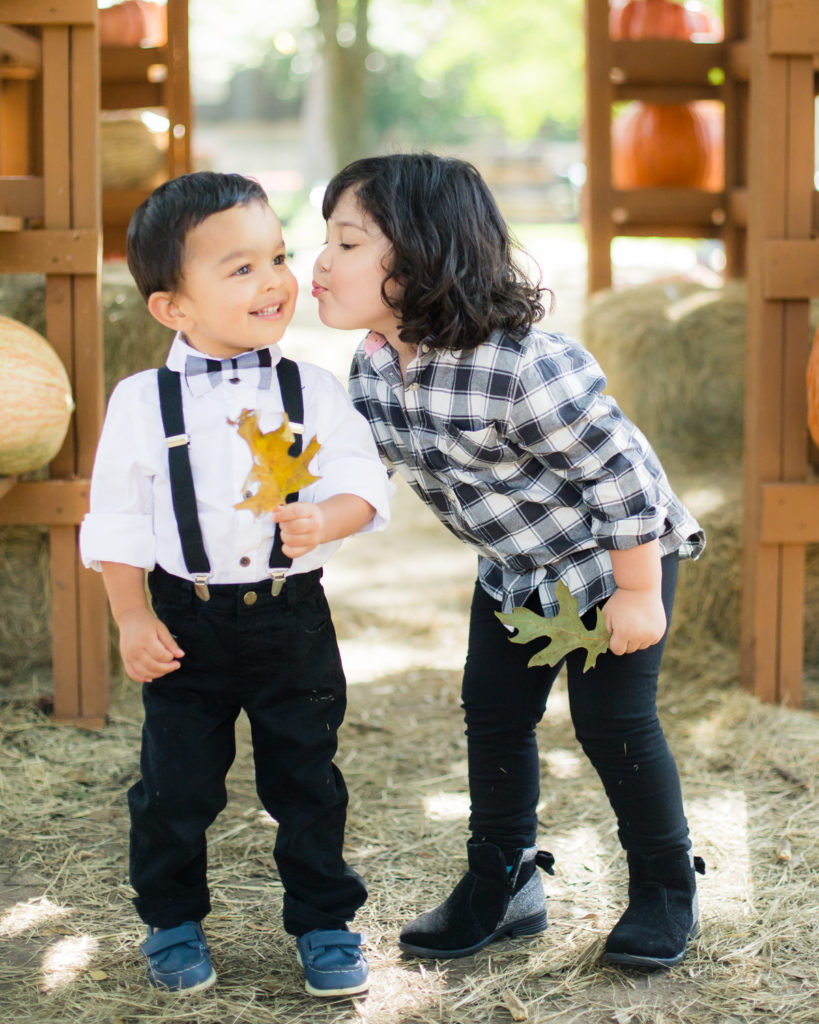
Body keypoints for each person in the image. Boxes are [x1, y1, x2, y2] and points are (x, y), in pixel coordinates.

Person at [311, 153, 706, 971]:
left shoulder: (522, 364)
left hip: (611, 559)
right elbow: (359, 475)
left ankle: (665, 885)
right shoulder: (374, 369)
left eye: (345, 243)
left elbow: (620, 474)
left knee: (612, 724)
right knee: (491, 711)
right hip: (516, 574)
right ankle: (503, 879)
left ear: (420, 257)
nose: (318, 261)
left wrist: (636, 592)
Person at [80, 171, 392, 998]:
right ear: (172, 308)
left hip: (291, 620)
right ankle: (172, 919)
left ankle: (325, 921)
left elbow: (366, 480)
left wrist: (330, 518)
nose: (275, 281)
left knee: (307, 777)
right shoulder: (141, 401)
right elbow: (118, 519)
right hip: (189, 619)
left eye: (280, 257)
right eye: (241, 267)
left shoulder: (312, 390)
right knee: (177, 784)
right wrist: (132, 616)